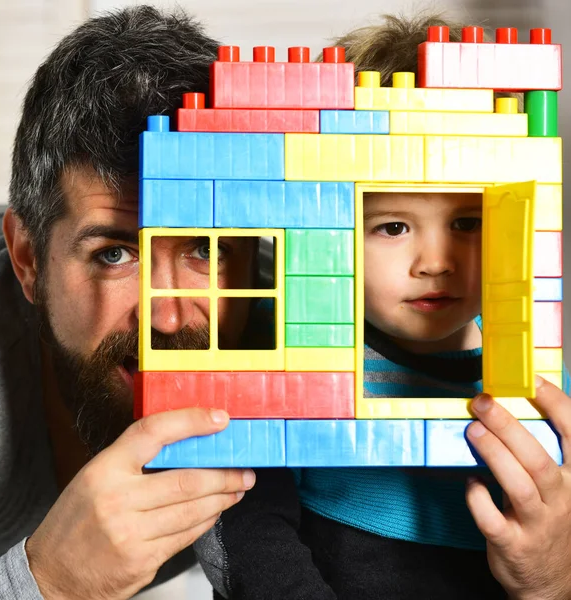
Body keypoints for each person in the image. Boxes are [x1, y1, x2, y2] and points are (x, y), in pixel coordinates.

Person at [194, 13, 571, 600]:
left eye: (467, 222)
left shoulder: (540, 373)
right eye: (393, 226)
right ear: (328, 230)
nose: (436, 261)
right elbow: (251, 530)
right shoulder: (293, 352)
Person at [0, 6, 262, 599]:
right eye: (115, 255)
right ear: (28, 261)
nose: (168, 316)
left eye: (205, 249)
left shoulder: (313, 307)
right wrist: (50, 582)